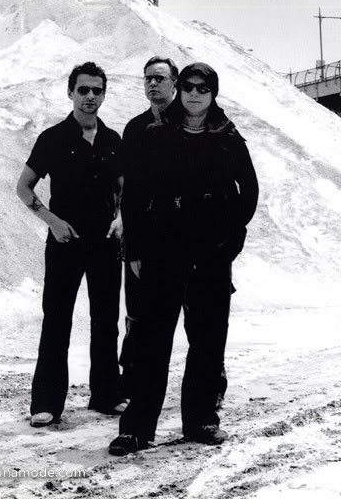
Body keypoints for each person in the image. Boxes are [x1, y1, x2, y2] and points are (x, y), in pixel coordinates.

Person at [109, 62, 259, 455]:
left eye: (202, 87)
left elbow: (248, 192)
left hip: (211, 254)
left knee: (208, 340)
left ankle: (202, 421)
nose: (194, 93)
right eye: (189, 86)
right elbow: (136, 193)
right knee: (151, 342)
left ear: (213, 93)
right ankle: (136, 429)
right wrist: (135, 247)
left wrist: (231, 240)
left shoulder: (227, 136)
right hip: (163, 250)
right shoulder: (157, 133)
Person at [16, 61, 126, 427]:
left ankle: (106, 395)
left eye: (97, 90)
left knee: (106, 321)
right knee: (57, 320)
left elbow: (124, 187)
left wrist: (121, 218)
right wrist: (52, 221)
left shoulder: (112, 140)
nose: (90, 96)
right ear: (70, 93)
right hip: (65, 242)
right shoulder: (52, 138)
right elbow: (23, 187)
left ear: (103, 95)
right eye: (83, 90)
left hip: (106, 243)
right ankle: (46, 403)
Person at [119, 55, 179, 396]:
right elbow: (130, 194)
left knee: (199, 319)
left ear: (174, 83)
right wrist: (133, 249)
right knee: (138, 313)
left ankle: (210, 387)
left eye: (160, 78)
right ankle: (132, 380)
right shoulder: (135, 129)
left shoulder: (191, 123)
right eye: (148, 79)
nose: (153, 83)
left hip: (186, 240)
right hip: (146, 239)